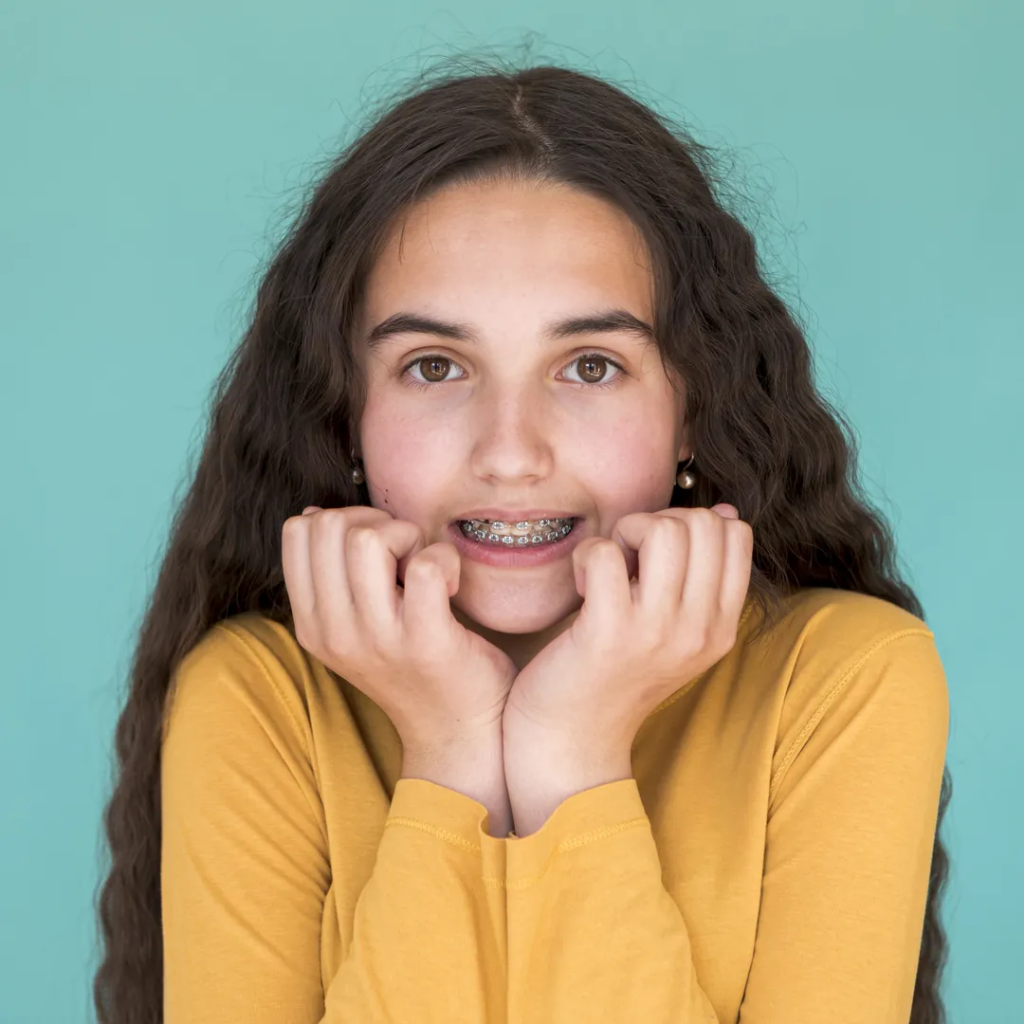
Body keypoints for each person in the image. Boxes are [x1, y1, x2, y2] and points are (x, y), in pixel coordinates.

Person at [92, 60, 952, 1024]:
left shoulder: (844, 680)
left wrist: (573, 759)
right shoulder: (260, 698)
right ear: (344, 418)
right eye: (432, 366)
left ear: (695, 413)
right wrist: (449, 756)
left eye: (589, 366)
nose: (510, 453)